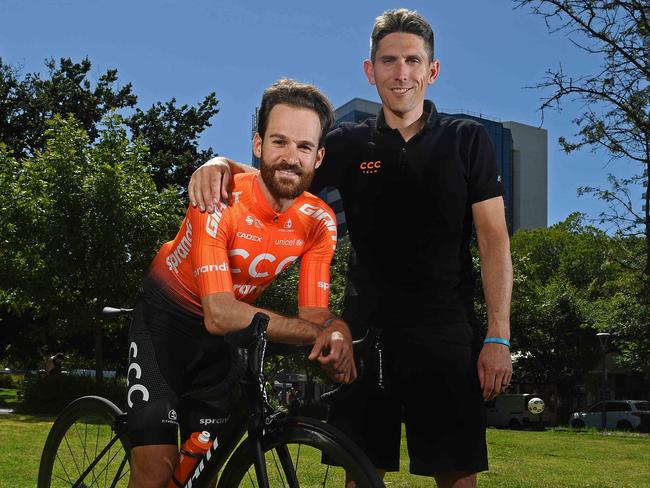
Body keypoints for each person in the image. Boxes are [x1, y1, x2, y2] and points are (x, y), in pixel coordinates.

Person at [188, 9, 513, 488]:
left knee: (457, 477)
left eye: (411, 60)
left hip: (446, 332)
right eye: (388, 61)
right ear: (370, 70)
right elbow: (284, 175)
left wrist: (498, 336)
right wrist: (221, 162)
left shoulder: (468, 140)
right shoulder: (346, 142)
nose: (400, 73)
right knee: (360, 471)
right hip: (363, 335)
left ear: (431, 70)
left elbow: (494, 240)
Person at [127, 79, 357, 488]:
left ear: (319, 156)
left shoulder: (320, 221)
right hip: (165, 325)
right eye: (279, 142)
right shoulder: (217, 195)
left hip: (225, 342)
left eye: (304, 147)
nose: (290, 158)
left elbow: (314, 313)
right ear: (257, 143)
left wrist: (336, 329)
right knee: (155, 472)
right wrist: (315, 335)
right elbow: (220, 313)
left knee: (202, 476)